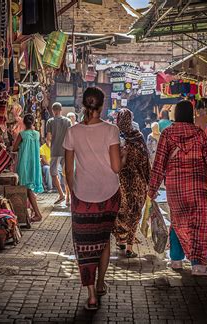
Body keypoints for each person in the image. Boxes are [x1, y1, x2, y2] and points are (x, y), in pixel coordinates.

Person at [63, 87, 125, 311]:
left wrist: (73, 193)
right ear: (102, 105)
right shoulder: (112, 130)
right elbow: (117, 167)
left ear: (83, 105)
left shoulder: (72, 132)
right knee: (103, 239)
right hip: (109, 194)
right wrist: (124, 156)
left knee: (84, 245)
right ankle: (100, 283)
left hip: (83, 197)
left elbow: (68, 170)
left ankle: (91, 295)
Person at [148, 100, 207, 276]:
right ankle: (198, 265)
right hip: (198, 187)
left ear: (176, 115)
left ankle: (176, 260)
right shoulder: (199, 134)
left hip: (175, 188)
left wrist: (152, 189)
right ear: (191, 114)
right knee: (199, 225)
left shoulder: (167, 134)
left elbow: (158, 164)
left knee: (177, 222)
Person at [114, 108, 151, 258]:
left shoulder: (115, 138)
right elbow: (145, 160)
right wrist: (149, 181)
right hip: (138, 182)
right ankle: (129, 246)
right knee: (135, 213)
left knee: (121, 212)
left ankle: (121, 240)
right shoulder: (138, 137)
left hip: (121, 182)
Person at [13, 114, 43, 222]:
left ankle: (37, 214)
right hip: (34, 164)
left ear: (24, 123)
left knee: (26, 188)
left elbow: (14, 148)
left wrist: (20, 146)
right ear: (33, 122)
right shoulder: (37, 134)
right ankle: (28, 213)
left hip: (24, 164)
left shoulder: (22, 134)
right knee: (27, 188)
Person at [46, 102, 72, 205]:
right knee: (67, 174)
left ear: (53, 110)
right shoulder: (68, 121)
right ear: (61, 110)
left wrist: (49, 145)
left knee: (53, 173)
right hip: (66, 150)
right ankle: (68, 198)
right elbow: (70, 136)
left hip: (55, 151)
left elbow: (48, 138)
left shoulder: (50, 121)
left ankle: (61, 194)